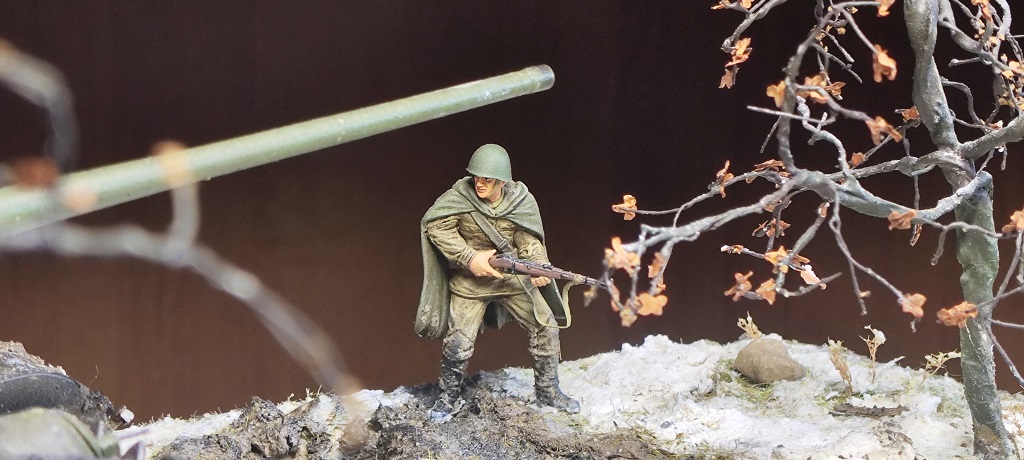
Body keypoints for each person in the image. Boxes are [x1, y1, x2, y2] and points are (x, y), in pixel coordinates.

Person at [416, 143, 580, 422]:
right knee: (458, 342)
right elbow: (436, 227)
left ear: (502, 182)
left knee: (546, 326)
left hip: (512, 280)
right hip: (470, 283)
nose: (480, 184)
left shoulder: (520, 201)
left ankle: (548, 392)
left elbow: (527, 238)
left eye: (488, 179)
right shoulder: (458, 198)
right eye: (476, 177)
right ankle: (448, 398)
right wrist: (469, 257)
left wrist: (537, 265)